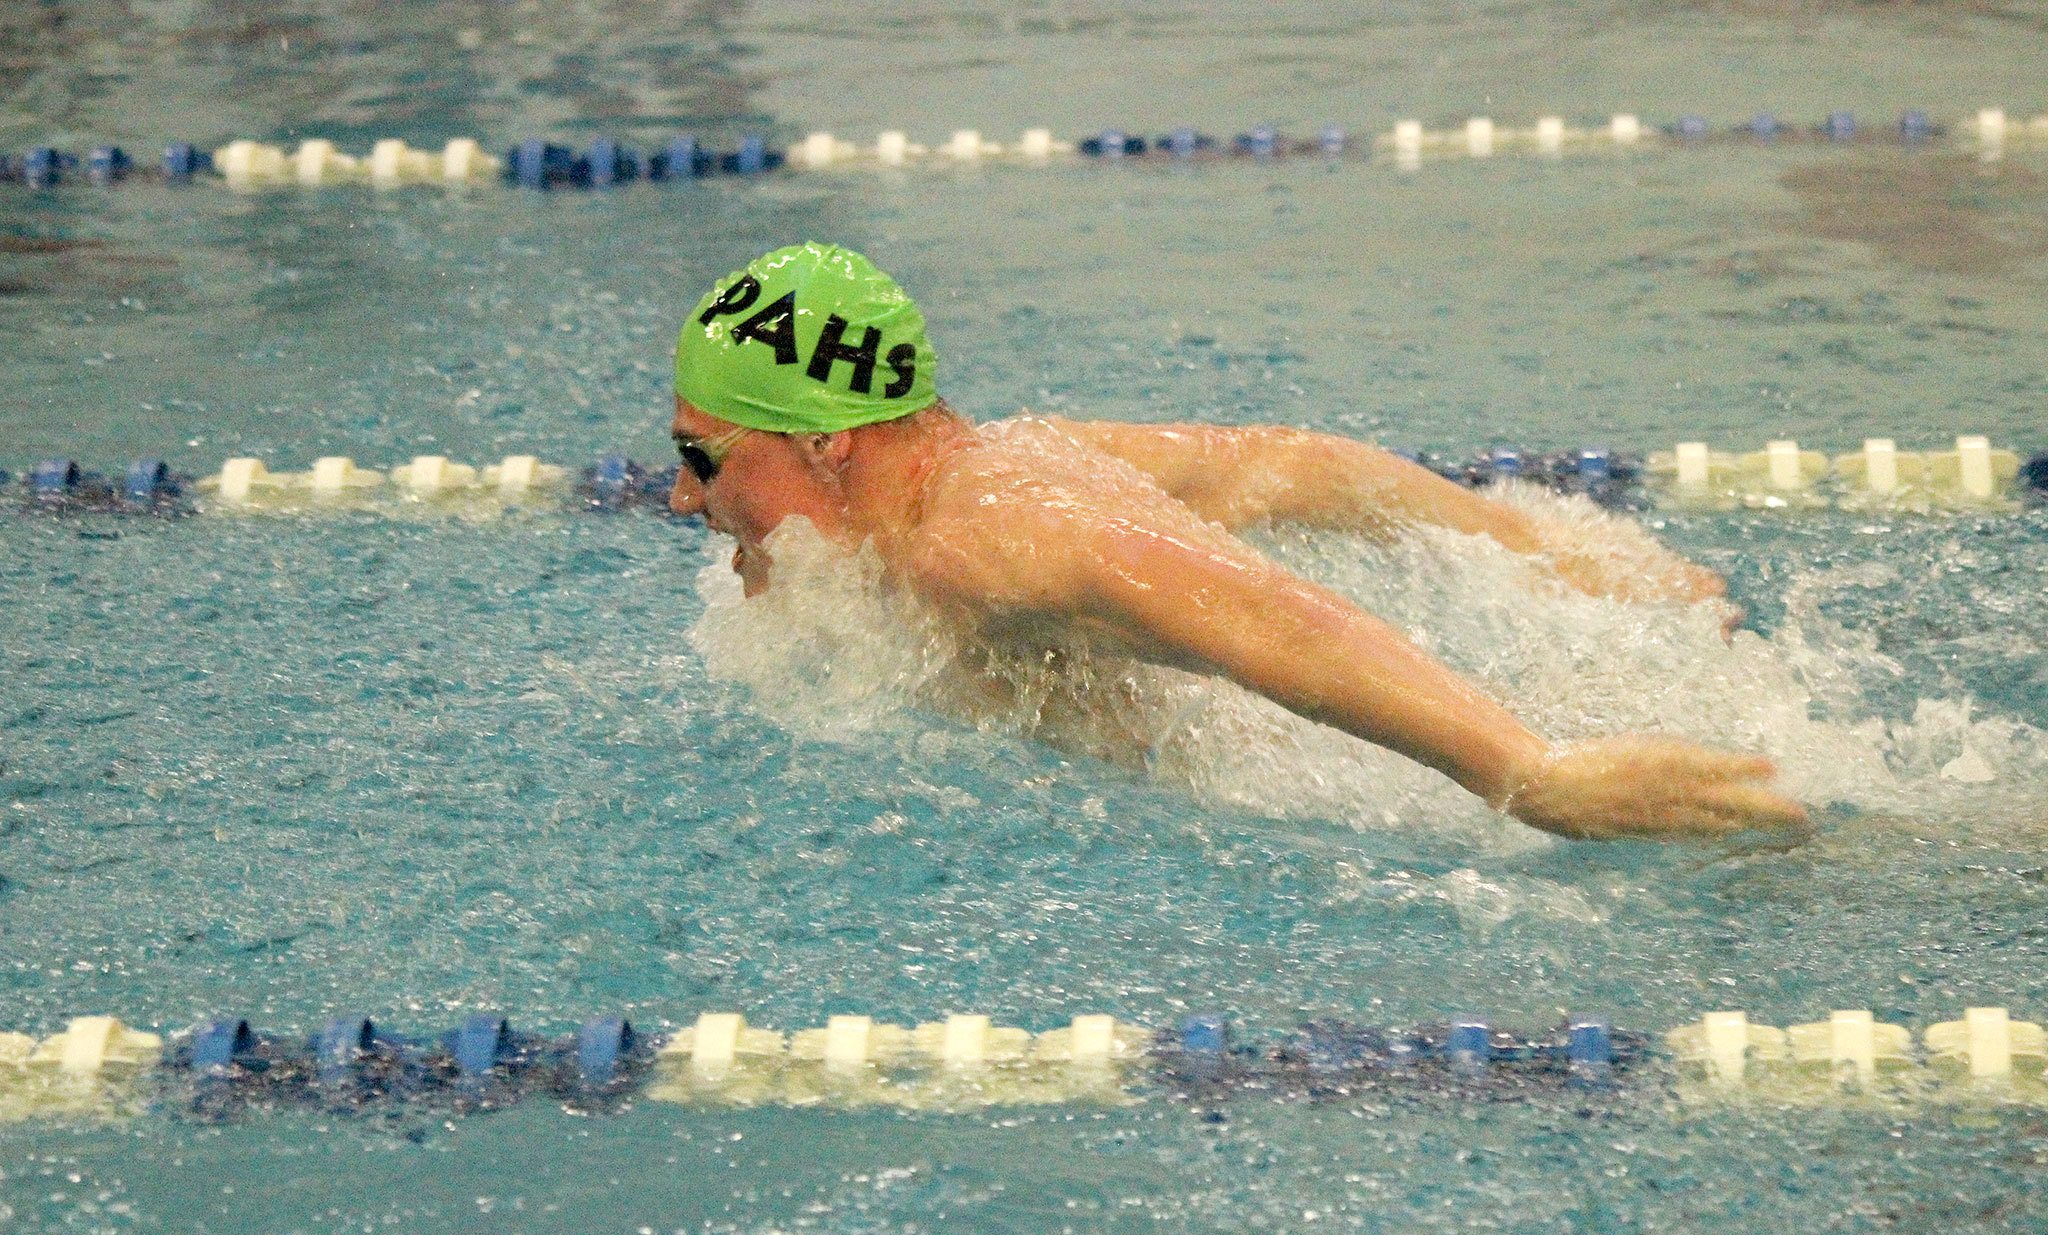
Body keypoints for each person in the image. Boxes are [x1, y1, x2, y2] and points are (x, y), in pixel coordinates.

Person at [666, 242, 1810, 841]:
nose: (680, 498)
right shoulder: (1012, 456)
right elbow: (1285, 464)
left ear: (825, 447)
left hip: (1394, 795)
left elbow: (1273, 616)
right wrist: (1541, 551)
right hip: (1445, 731)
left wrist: (1528, 774)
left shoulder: (978, 542)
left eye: (707, 459)